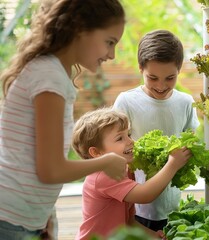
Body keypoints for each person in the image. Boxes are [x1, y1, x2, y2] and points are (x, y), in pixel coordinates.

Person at [0, 1, 128, 239]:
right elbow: (51, 169)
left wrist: (44, 216)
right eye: (109, 42)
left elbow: (29, 157)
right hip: (11, 219)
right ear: (81, 29)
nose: (112, 54)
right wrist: (106, 162)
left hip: (24, 217)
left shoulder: (51, 71)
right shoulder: (49, 76)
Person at [113, 29, 200, 231]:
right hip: (135, 208)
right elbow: (113, 149)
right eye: (153, 78)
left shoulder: (185, 102)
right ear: (140, 68)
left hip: (173, 205)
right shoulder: (126, 101)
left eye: (170, 78)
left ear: (179, 70)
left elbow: (190, 142)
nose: (161, 86)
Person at [73, 108, 192, 239]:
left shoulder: (125, 170)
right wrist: (173, 164)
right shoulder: (103, 175)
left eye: (128, 135)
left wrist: (153, 236)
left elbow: (129, 221)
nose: (130, 141)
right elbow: (145, 195)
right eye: (120, 138)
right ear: (96, 153)